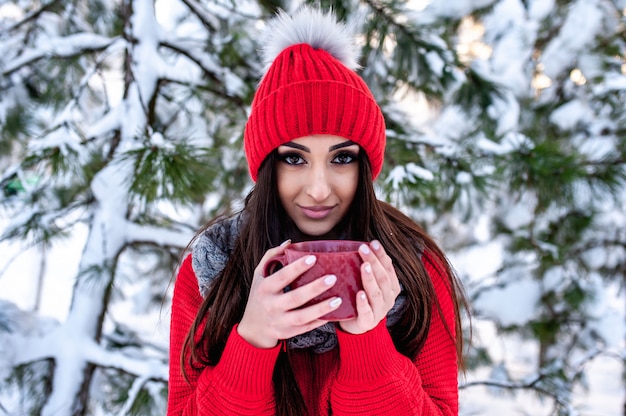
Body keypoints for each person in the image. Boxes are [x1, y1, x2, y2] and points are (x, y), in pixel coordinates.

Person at [167, 6, 467, 416]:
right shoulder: (211, 273)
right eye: (294, 159)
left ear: (365, 166)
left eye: (341, 159)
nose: (319, 189)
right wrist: (253, 340)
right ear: (266, 166)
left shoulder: (415, 272)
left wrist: (367, 343)